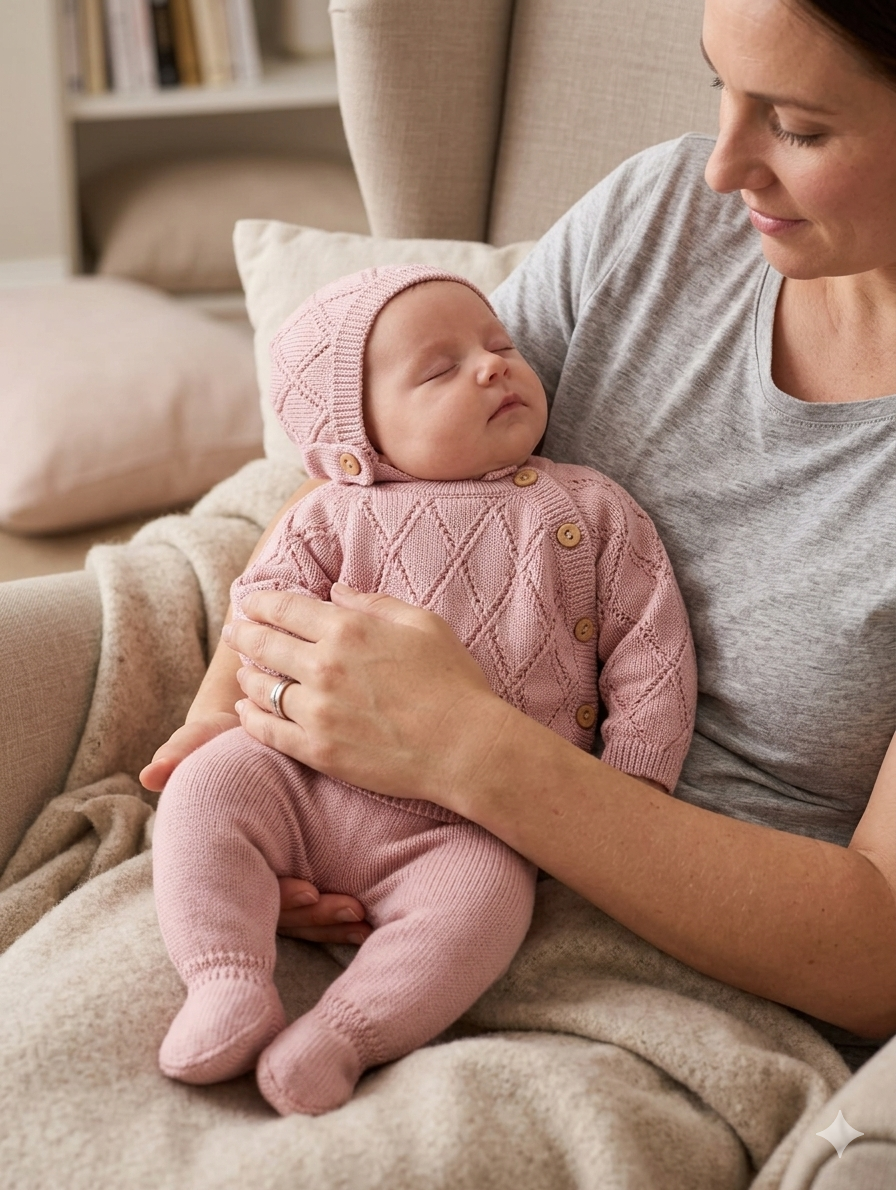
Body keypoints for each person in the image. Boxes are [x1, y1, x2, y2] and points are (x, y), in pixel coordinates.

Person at [143, 0, 896, 1076]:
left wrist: (461, 749)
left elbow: (879, 951)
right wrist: (243, 731)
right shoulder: (656, 219)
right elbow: (378, 466)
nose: (722, 168)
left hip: (663, 991)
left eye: (798, 128)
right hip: (332, 862)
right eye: (716, 89)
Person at [149, 265, 697, 1116]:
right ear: (353, 439)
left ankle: (345, 1033)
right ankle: (224, 978)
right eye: (440, 369)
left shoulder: (592, 512)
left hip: (470, 822)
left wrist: (632, 782)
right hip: (306, 777)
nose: (491, 367)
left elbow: (652, 649)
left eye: (500, 346)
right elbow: (257, 614)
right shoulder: (332, 513)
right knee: (203, 791)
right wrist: (225, 717)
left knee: (487, 905)